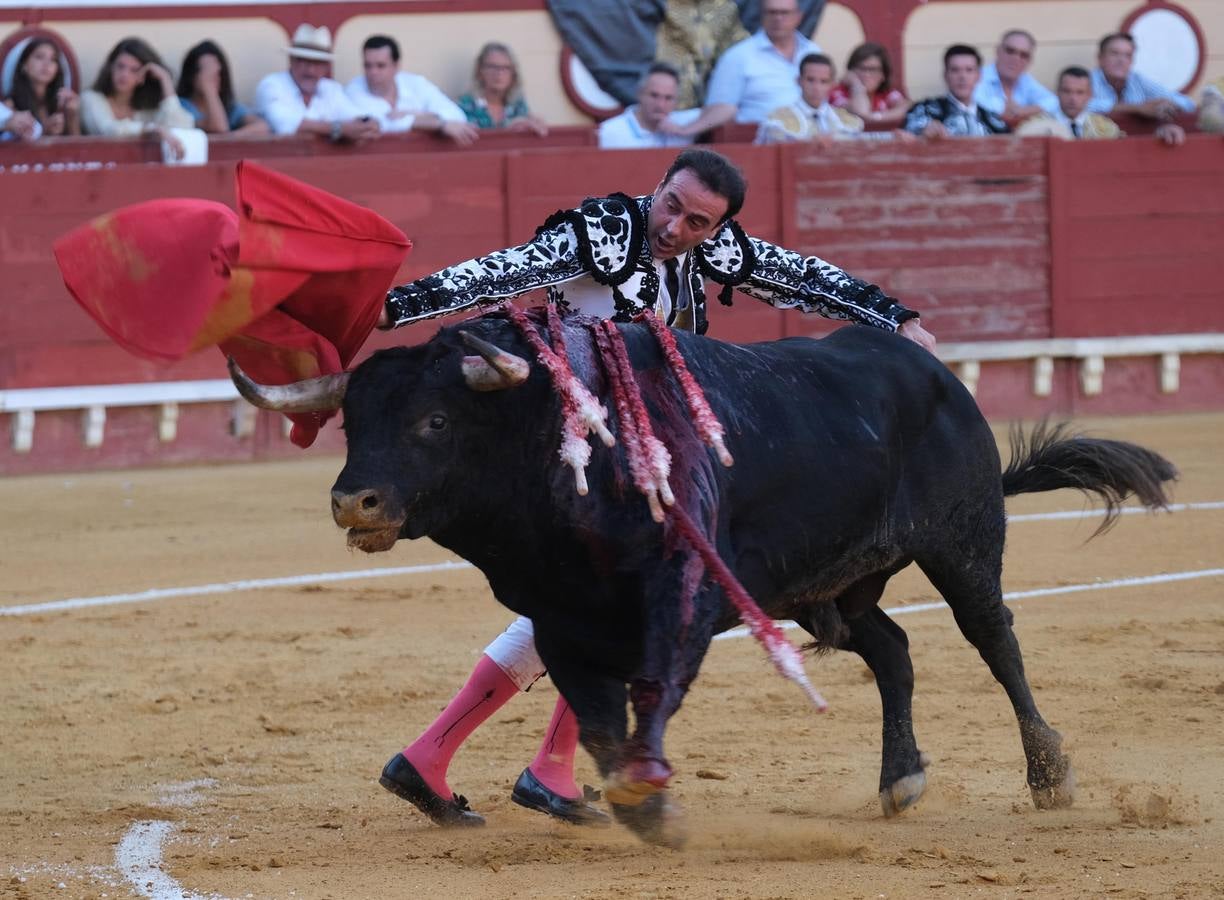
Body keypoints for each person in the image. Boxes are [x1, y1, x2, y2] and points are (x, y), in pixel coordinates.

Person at [374, 147, 936, 829]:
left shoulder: (713, 248)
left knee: (616, 607)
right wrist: (400, 305)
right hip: (566, 455)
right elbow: (499, 273)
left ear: (716, 224)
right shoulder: (601, 231)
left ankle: (520, 766)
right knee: (595, 608)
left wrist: (893, 317)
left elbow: (799, 278)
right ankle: (453, 758)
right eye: (671, 205)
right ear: (659, 187)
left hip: (640, 457)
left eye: (697, 221)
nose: (674, 227)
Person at [661, 0, 819, 137]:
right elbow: (721, 107)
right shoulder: (738, 56)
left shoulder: (813, 51)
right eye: (772, 12)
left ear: (798, 17)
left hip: (815, 139)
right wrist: (686, 130)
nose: (778, 18)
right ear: (762, 16)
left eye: (784, 13)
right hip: (759, 144)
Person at [254, 23, 379, 143]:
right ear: (291, 61)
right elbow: (285, 124)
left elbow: (359, 118)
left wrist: (367, 124)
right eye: (304, 61)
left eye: (317, 63)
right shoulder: (272, 85)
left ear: (326, 67)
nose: (310, 70)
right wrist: (339, 129)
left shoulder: (331, 89)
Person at [345, 34, 477, 145]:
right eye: (368, 66)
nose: (373, 72)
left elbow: (456, 115)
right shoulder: (354, 90)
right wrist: (439, 124)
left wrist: (415, 114)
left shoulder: (415, 83)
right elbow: (381, 125)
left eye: (380, 66)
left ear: (396, 66)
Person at [80, 37, 194, 157]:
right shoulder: (91, 99)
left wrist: (165, 80)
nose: (124, 74)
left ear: (144, 75)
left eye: (134, 70)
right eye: (120, 66)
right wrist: (152, 129)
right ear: (110, 68)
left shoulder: (146, 108)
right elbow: (108, 130)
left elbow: (183, 127)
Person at [1018, 65, 1185, 146]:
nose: (1073, 98)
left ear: (1089, 95)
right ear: (1057, 93)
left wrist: (1160, 132)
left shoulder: (1104, 126)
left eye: (1079, 92)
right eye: (1067, 91)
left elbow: (1130, 149)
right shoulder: (1037, 124)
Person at [904, 44, 1009, 139]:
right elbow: (907, 132)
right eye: (955, 70)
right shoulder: (925, 109)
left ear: (979, 76)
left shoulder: (994, 120)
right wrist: (923, 131)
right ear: (945, 75)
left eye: (969, 70)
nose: (962, 77)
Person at [756, 52, 864, 144]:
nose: (816, 88)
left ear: (832, 85)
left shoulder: (848, 121)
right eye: (810, 80)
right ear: (799, 81)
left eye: (823, 81)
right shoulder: (777, 120)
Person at [1089, 33, 1195, 120]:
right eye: (1114, 53)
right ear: (1100, 58)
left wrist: (1168, 104)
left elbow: (1187, 103)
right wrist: (1137, 108)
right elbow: (1084, 106)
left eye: (1127, 55)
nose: (1121, 60)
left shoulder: (1137, 79)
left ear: (1131, 61)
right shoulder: (1088, 80)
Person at [597, 62, 698, 149]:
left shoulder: (683, 123)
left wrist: (685, 130)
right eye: (654, 96)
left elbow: (713, 113)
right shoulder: (611, 132)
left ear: (676, 100)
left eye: (668, 98)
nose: (660, 105)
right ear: (639, 93)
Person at [176, 40, 268, 136]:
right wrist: (209, 90)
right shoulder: (181, 106)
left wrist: (233, 136)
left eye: (218, 73)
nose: (214, 78)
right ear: (192, 76)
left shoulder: (230, 106)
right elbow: (218, 128)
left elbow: (263, 127)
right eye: (207, 72)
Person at [457, 42, 548, 136]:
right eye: (492, 67)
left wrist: (534, 124)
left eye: (505, 68)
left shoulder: (517, 106)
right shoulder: (465, 105)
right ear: (480, 70)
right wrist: (508, 129)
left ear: (513, 74)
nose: (499, 73)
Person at [972, 29, 1058, 126]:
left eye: (1024, 55)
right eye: (1010, 51)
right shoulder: (977, 75)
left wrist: (1023, 111)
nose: (1016, 59)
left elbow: (1054, 101)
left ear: (1029, 61)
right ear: (997, 51)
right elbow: (976, 102)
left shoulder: (1025, 80)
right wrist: (1007, 109)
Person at [4, 36, 80, 136]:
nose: (47, 64)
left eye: (53, 59)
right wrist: (44, 131)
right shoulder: (10, 105)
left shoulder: (63, 103)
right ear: (24, 65)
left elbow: (78, 147)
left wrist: (72, 116)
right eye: (39, 57)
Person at [829, 42, 908, 128]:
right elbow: (861, 112)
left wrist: (875, 117)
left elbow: (906, 108)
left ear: (883, 75)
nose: (866, 75)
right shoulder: (837, 93)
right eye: (862, 68)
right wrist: (856, 86)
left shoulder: (886, 93)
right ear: (851, 72)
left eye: (873, 69)